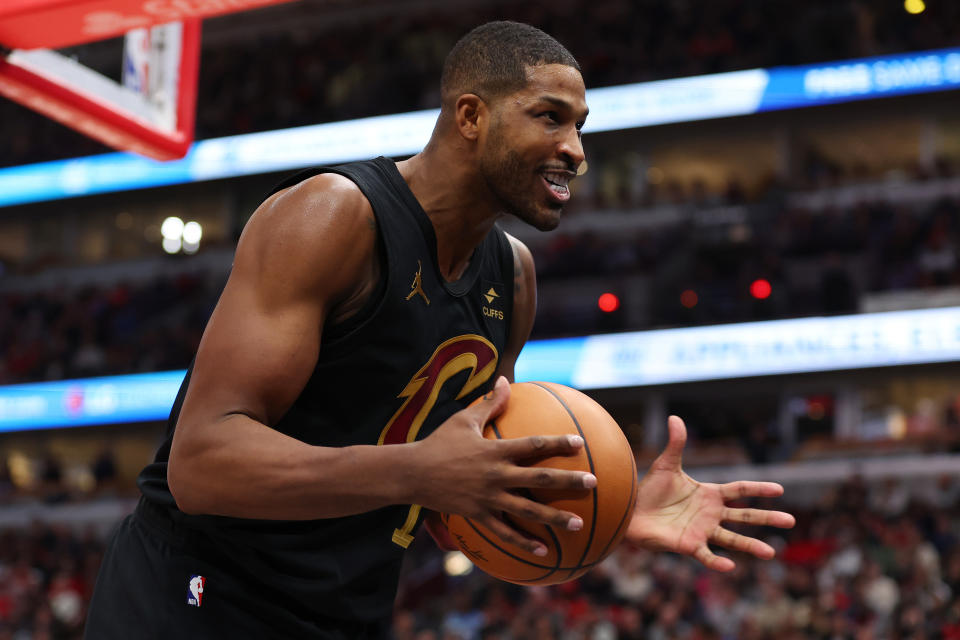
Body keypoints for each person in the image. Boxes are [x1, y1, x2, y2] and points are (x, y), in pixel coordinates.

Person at [85, 21, 795, 639]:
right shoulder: (335, 217)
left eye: (580, 126)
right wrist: (415, 470)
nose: (576, 149)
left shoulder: (512, 279)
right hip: (199, 595)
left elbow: (455, 491)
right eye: (550, 117)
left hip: (343, 610)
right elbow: (202, 464)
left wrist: (602, 508)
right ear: (469, 116)